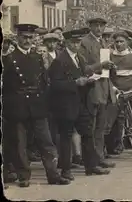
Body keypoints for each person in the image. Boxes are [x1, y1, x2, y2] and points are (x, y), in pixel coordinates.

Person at [2, 23, 70, 187]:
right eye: (24, 37)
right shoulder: (8, 59)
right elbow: (7, 88)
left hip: (37, 105)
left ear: (34, 39)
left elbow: (44, 82)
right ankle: (24, 176)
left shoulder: (38, 57)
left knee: (46, 141)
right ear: (18, 38)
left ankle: (53, 175)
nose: (27, 40)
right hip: (18, 106)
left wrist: (45, 102)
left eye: (30, 37)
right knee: (20, 143)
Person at [49, 28, 111, 180]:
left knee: (87, 133)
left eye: (78, 42)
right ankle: (65, 170)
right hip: (66, 104)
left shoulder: (79, 58)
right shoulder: (59, 61)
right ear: (67, 43)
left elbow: (85, 73)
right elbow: (55, 84)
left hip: (80, 103)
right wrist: (75, 83)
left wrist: (89, 80)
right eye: (73, 42)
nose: (76, 45)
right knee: (66, 137)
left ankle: (91, 166)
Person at [79, 17, 117, 169]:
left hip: (104, 88)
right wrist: (101, 65)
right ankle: (91, 160)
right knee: (91, 127)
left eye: (102, 26)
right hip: (92, 89)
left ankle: (99, 158)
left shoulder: (103, 42)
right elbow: (83, 67)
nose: (99, 29)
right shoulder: (84, 43)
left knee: (100, 127)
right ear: (90, 26)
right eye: (96, 25)